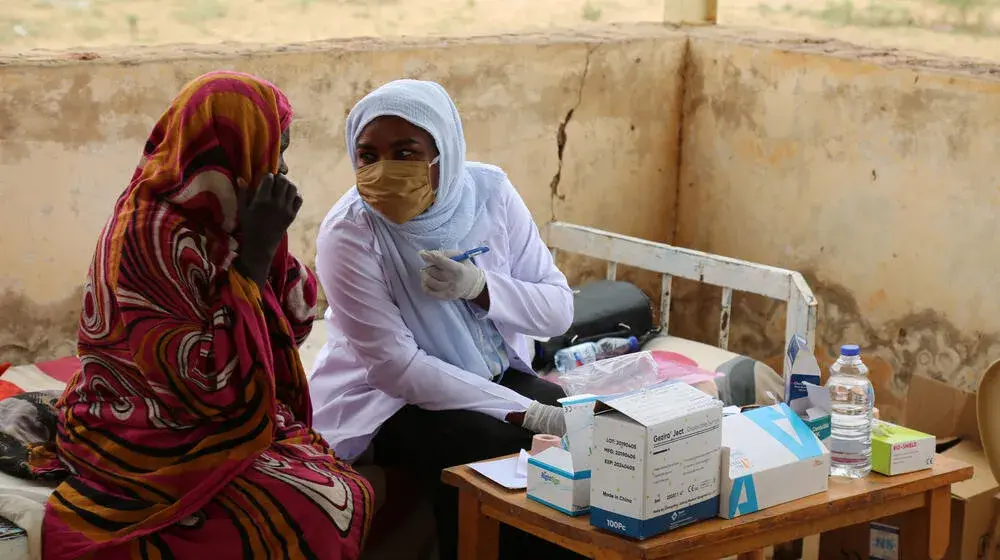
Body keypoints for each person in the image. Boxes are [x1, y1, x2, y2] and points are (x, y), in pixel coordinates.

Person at [38, 71, 373, 560]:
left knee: (340, 481)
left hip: (211, 419)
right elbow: (210, 383)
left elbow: (297, 317)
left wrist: (267, 242)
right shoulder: (149, 234)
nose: (279, 168)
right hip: (143, 429)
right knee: (318, 504)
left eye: (282, 152)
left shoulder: (220, 219)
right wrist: (255, 255)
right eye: (271, 151)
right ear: (228, 149)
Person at [309, 79, 577, 560]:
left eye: (406, 152)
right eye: (367, 156)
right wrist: (519, 410)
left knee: (569, 422)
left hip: (492, 372)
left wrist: (482, 289)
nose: (383, 170)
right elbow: (397, 368)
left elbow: (557, 310)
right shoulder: (349, 232)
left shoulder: (490, 192)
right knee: (485, 447)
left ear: (443, 152)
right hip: (388, 401)